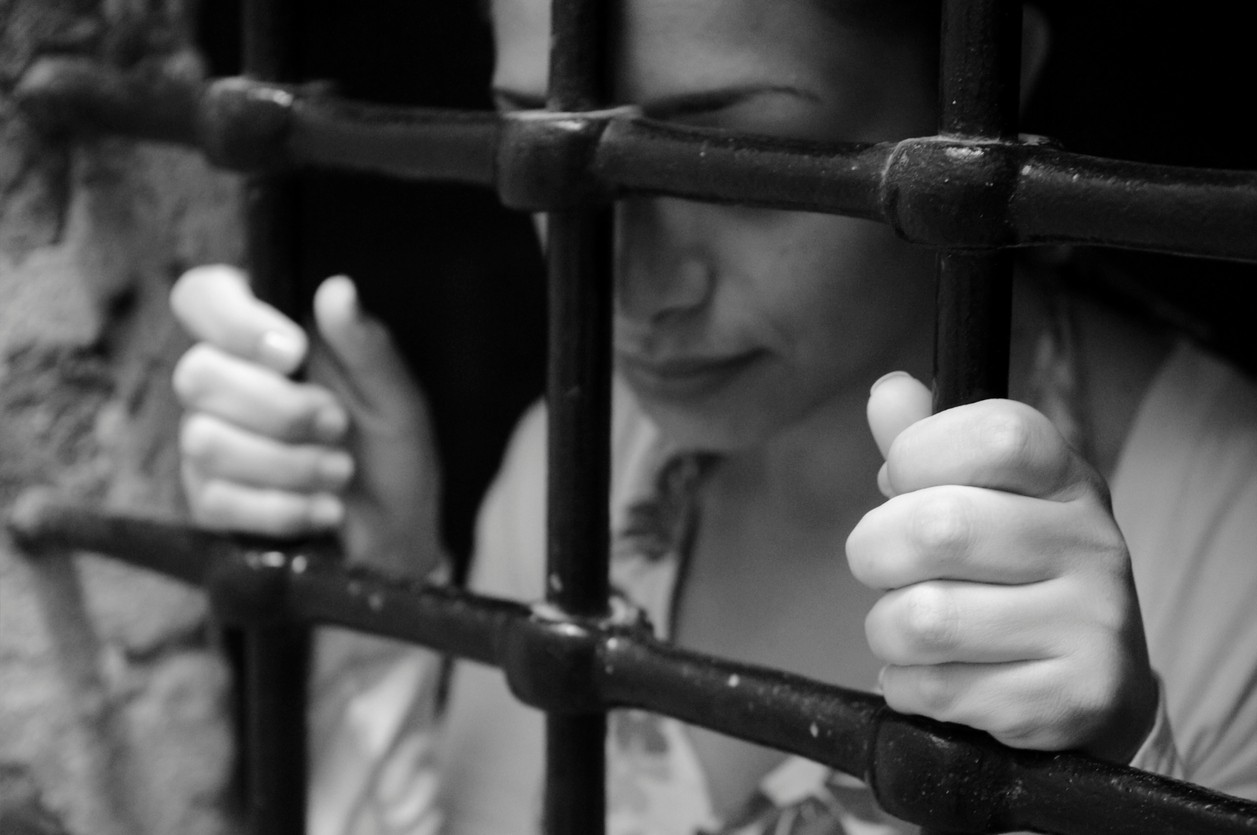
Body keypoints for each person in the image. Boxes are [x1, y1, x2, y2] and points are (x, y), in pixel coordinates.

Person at [168, 0, 1257, 832]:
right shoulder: (582, 450)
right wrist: (383, 600)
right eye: (539, 150)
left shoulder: (1226, 536)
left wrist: (1108, 790)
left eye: (730, 158)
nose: (632, 290)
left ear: (978, 97)